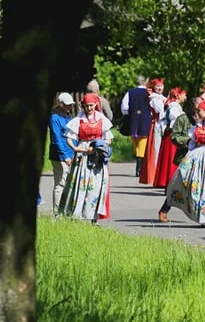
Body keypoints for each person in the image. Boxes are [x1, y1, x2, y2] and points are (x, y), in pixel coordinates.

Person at [158, 97, 205, 227]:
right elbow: (191, 144)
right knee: (195, 186)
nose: (197, 113)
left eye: (200, 110)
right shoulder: (197, 126)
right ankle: (201, 216)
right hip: (197, 159)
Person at [58, 93, 113, 222]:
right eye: (86, 106)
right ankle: (76, 214)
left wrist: (98, 146)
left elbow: (108, 138)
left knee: (96, 185)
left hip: (97, 156)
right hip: (82, 155)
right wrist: (76, 148)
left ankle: (93, 216)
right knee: (79, 184)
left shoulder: (101, 119)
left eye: (91, 105)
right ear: (83, 106)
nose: (89, 108)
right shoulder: (78, 120)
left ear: (96, 105)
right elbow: (70, 138)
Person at [153, 88, 187, 188]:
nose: (185, 97)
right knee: (172, 158)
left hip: (172, 135)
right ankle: (169, 180)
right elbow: (174, 122)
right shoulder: (174, 107)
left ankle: (169, 180)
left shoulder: (175, 106)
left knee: (171, 158)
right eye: (183, 95)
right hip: (172, 136)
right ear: (178, 96)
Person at [49, 93, 76, 212]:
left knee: (69, 184)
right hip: (60, 156)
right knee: (60, 184)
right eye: (67, 105)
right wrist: (64, 156)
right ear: (60, 104)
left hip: (72, 154)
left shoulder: (69, 116)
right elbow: (56, 139)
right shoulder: (55, 118)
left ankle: (67, 210)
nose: (69, 107)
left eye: (70, 104)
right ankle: (57, 213)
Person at [121, 75, 151, 177]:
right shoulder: (149, 93)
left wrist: (131, 113)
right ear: (146, 82)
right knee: (142, 145)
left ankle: (139, 167)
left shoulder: (130, 92)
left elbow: (124, 108)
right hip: (145, 121)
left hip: (133, 122)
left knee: (137, 145)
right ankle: (140, 168)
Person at [139, 78, 166, 185]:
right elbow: (160, 111)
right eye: (157, 86)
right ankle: (154, 175)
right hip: (158, 125)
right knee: (156, 149)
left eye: (161, 86)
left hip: (163, 124)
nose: (160, 88)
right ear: (154, 88)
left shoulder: (162, 98)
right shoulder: (154, 99)